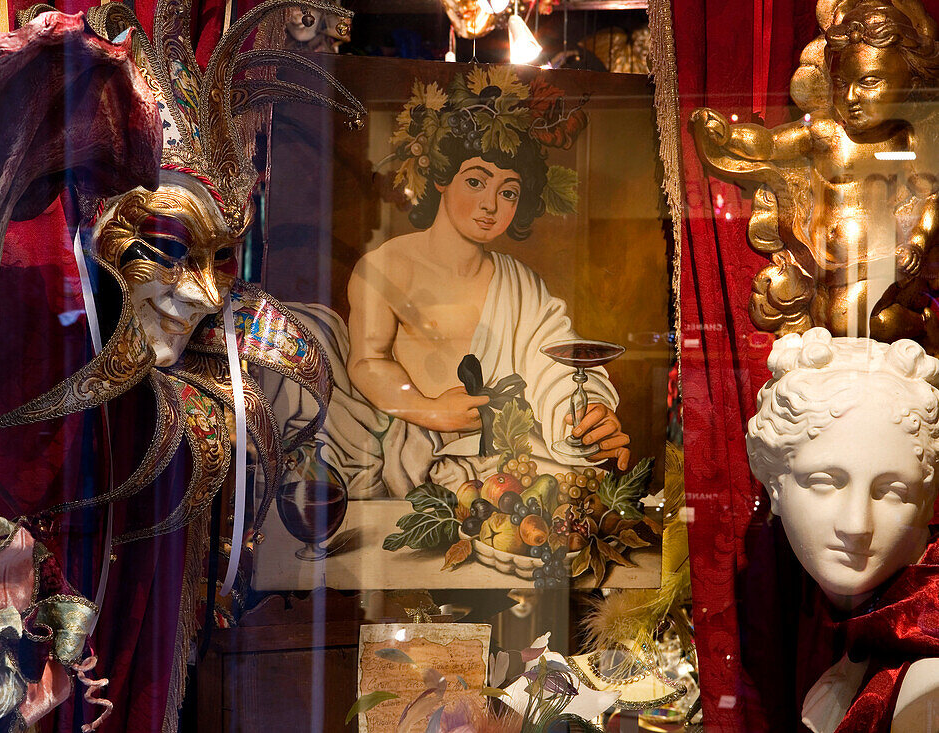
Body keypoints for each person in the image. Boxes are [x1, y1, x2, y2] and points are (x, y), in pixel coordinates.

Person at [270, 67, 629, 499]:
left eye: (509, 191)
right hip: (406, 438)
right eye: (475, 181)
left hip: (494, 454)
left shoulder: (521, 283)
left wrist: (588, 411)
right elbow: (367, 362)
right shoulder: (387, 265)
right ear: (442, 177)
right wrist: (431, 411)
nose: (490, 205)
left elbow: (555, 363)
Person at [690, 0, 939, 344]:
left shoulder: (908, 143)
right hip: (821, 266)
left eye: (869, 82)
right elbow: (770, 144)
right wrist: (728, 135)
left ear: (911, 85)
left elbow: (930, 200)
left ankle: (922, 326)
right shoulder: (826, 134)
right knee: (828, 320)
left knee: (845, 319)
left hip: (882, 264)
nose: (850, 96)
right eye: (841, 82)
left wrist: (917, 241)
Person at [747, 327, 939, 732]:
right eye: (824, 482)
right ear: (775, 486)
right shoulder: (865, 638)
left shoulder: (926, 681)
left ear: (925, 501)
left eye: (891, 490)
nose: (856, 525)